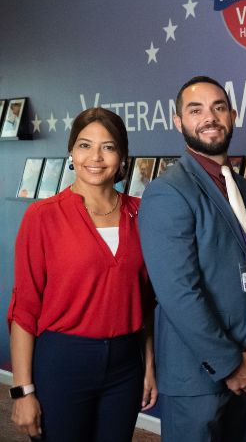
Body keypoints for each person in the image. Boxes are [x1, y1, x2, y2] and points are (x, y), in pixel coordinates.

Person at [7, 107, 156, 441]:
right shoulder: (42, 216)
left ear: (122, 156)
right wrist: (22, 390)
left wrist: (148, 366)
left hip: (125, 366)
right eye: (85, 145)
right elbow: (25, 309)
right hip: (63, 362)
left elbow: (146, 302)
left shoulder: (142, 213)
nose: (96, 157)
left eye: (109, 146)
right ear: (71, 152)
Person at [138, 76, 246, 442]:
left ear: (233, 116)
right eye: (196, 110)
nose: (209, 118)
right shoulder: (168, 192)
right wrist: (229, 364)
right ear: (178, 123)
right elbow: (179, 292)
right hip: (199, 376)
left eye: (218, 107)